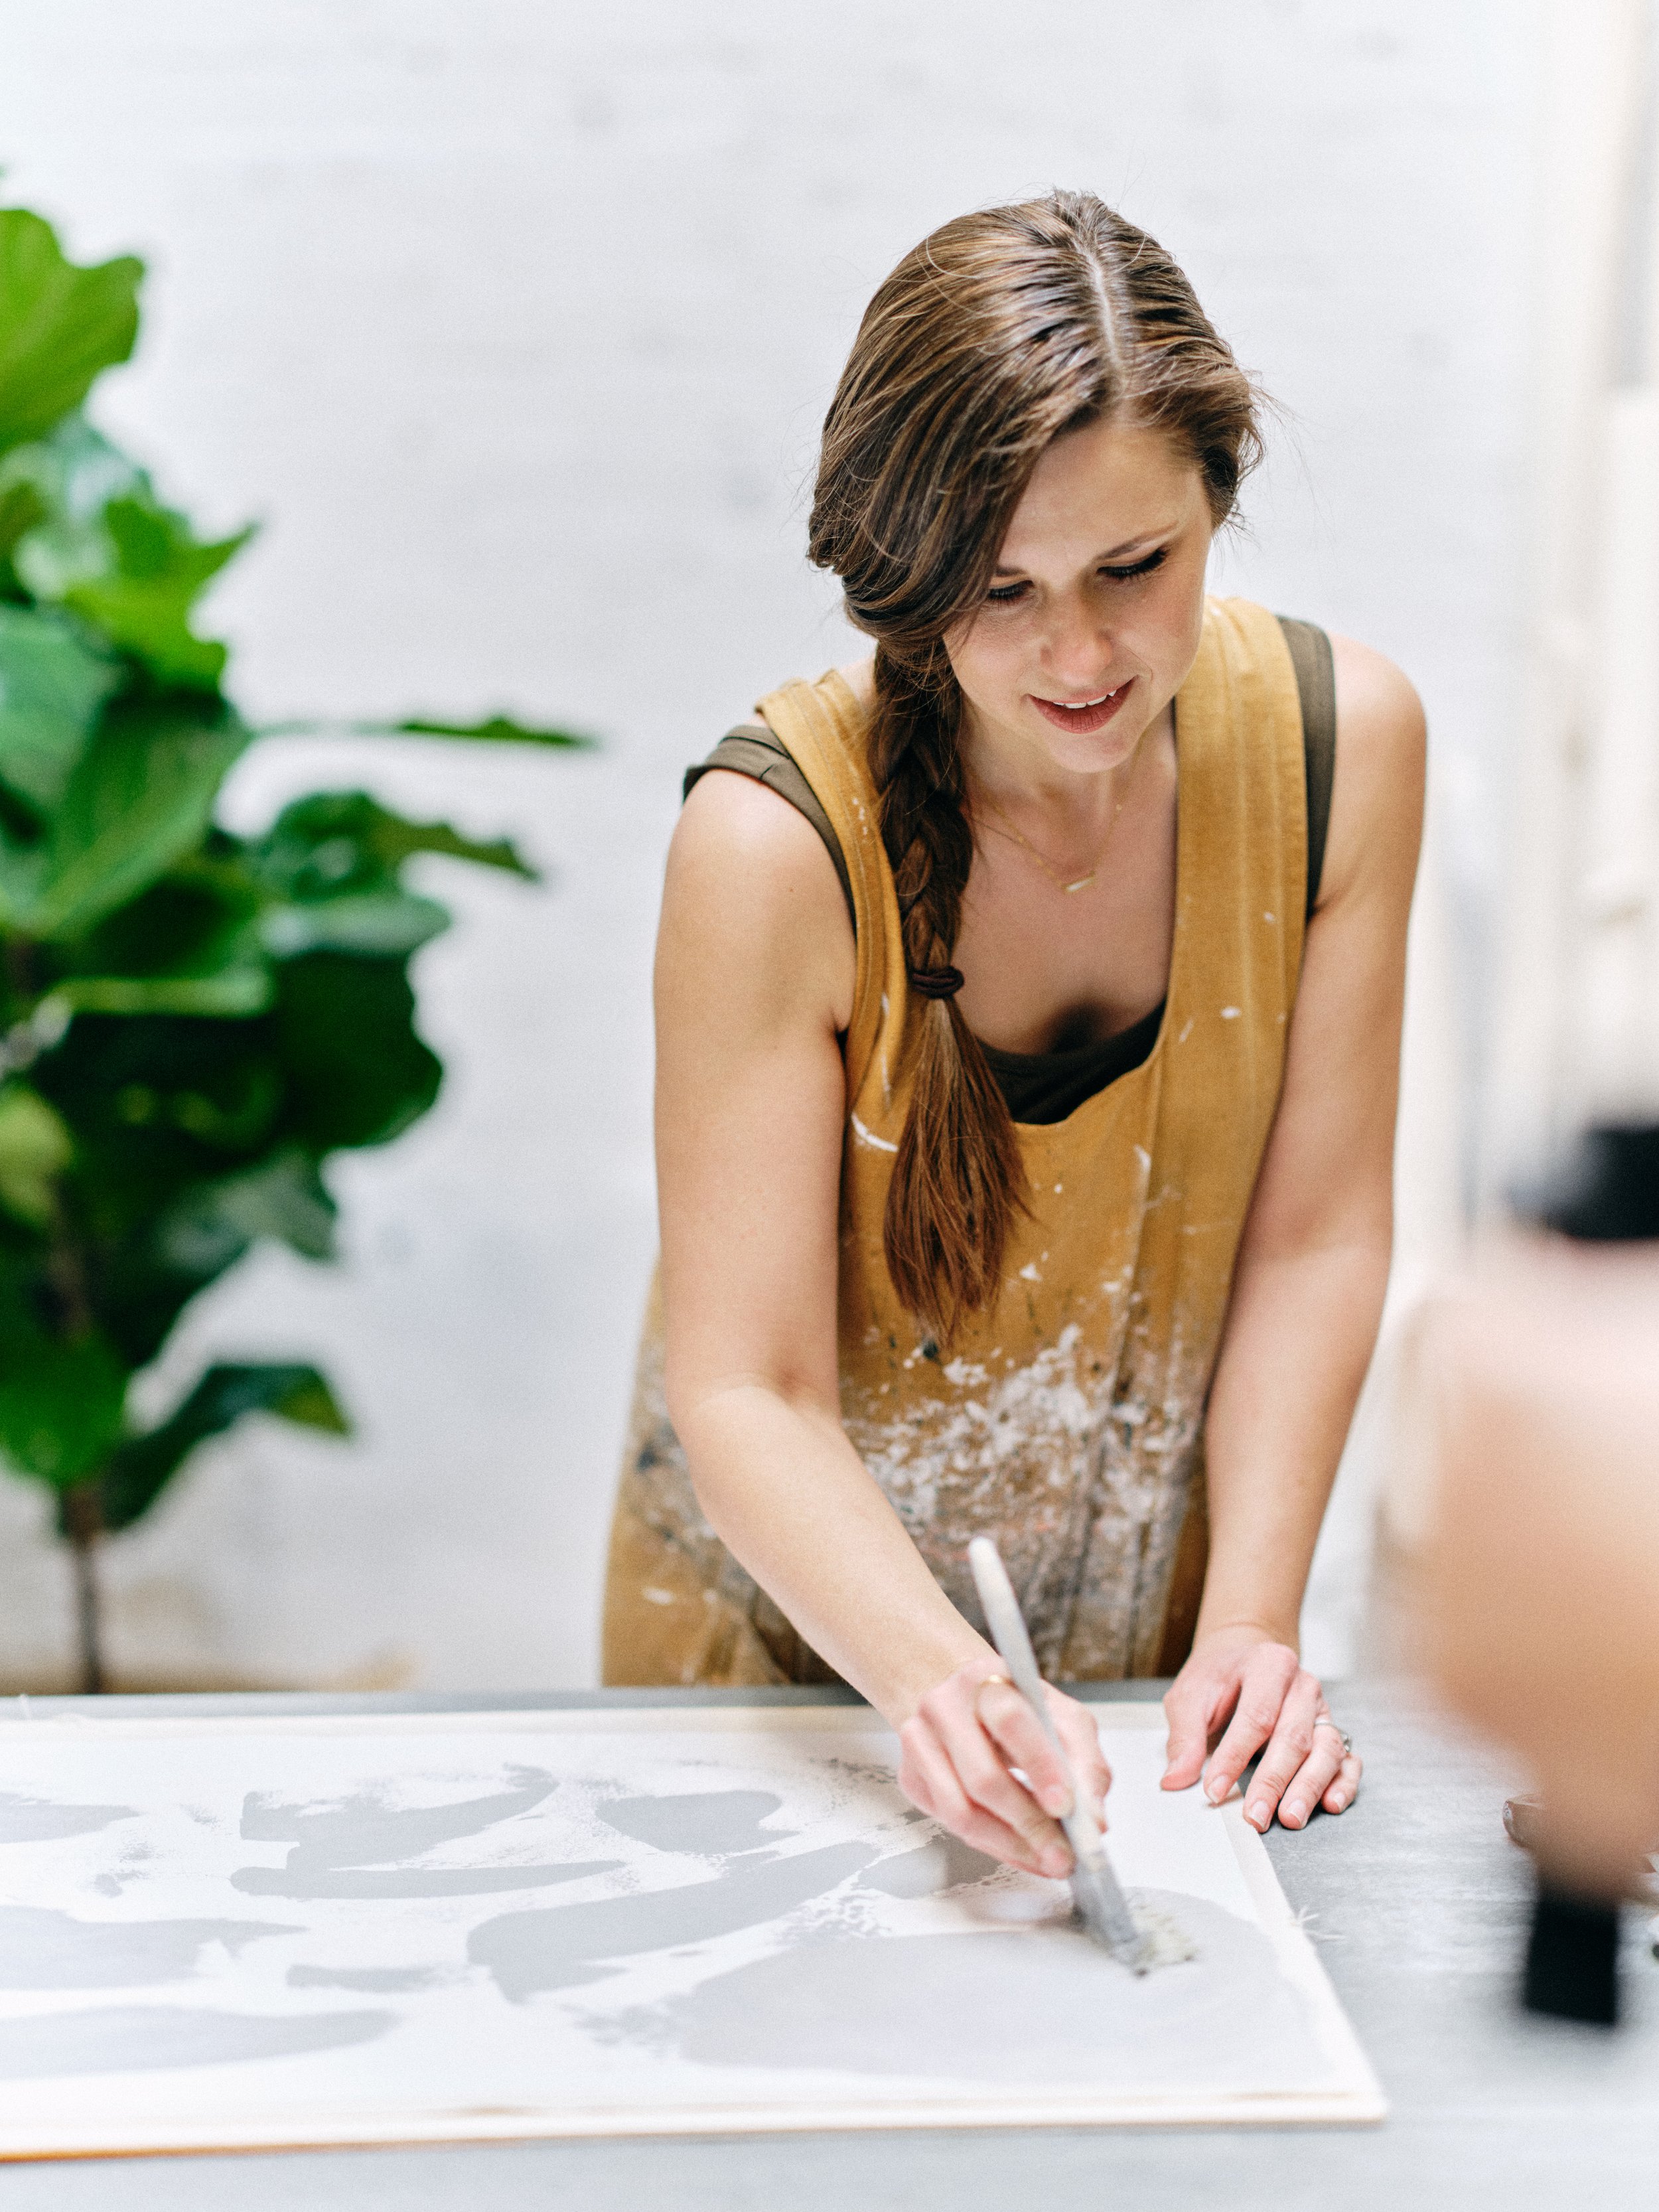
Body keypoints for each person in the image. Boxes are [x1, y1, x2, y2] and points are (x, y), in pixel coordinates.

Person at [604, 190, 1423, 1882]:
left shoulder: (1343, 753)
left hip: (1151, 1679)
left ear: (1218, 502)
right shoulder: (772, 843)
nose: (1077, 654)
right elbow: (745, 1384)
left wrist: (1254, 1628)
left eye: (1137, 565)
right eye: (998, 590)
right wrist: (936, 1681)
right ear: (897, 591)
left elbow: (1318, 1233)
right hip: (796, 1689)